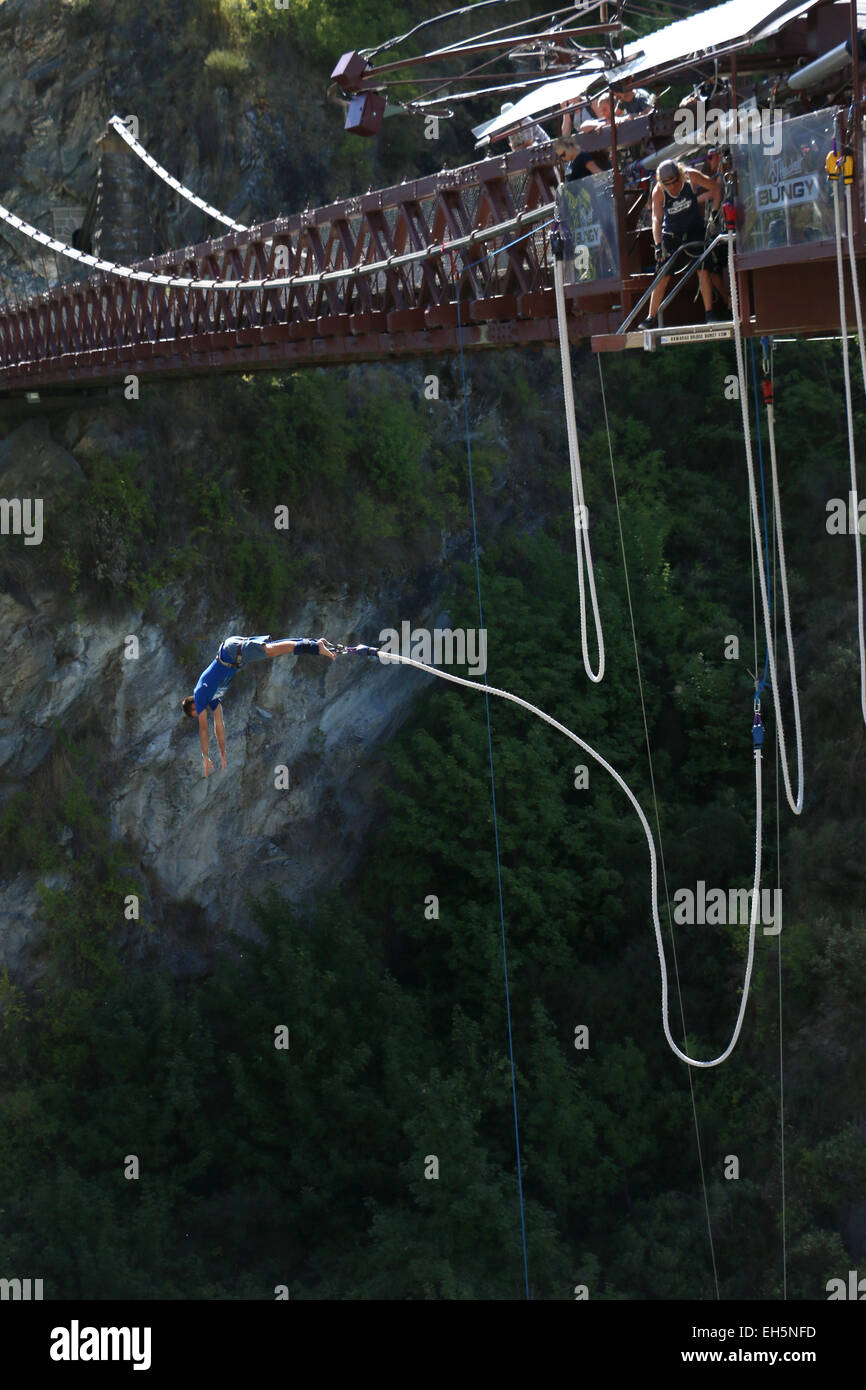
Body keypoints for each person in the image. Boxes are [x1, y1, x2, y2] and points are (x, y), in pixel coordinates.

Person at [181, 633, 338, 778]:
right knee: (273, 649)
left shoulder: (200, 694)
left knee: (270, 650)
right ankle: (314, 643)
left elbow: (203, 729)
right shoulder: (212, 698)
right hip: (234, 654)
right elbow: (219, 725)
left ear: (193, 704)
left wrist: (205, 757)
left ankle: (315, 647)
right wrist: (222, 752)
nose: (201, 712)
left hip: (231, 652)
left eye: (197, 711)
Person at [639, 158, 727, 328]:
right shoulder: (659, 190)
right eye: (668, 184)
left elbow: (715, 188)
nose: (672, 187)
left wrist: (715, 212)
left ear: (679, 175)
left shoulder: (691, 177)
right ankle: (651, 317)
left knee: (702, 269)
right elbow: (656, 218)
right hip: (672, 234)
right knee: (662, 274)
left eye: (674, 182)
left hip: (694, 230)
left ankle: (709, 312)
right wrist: (658, 245)